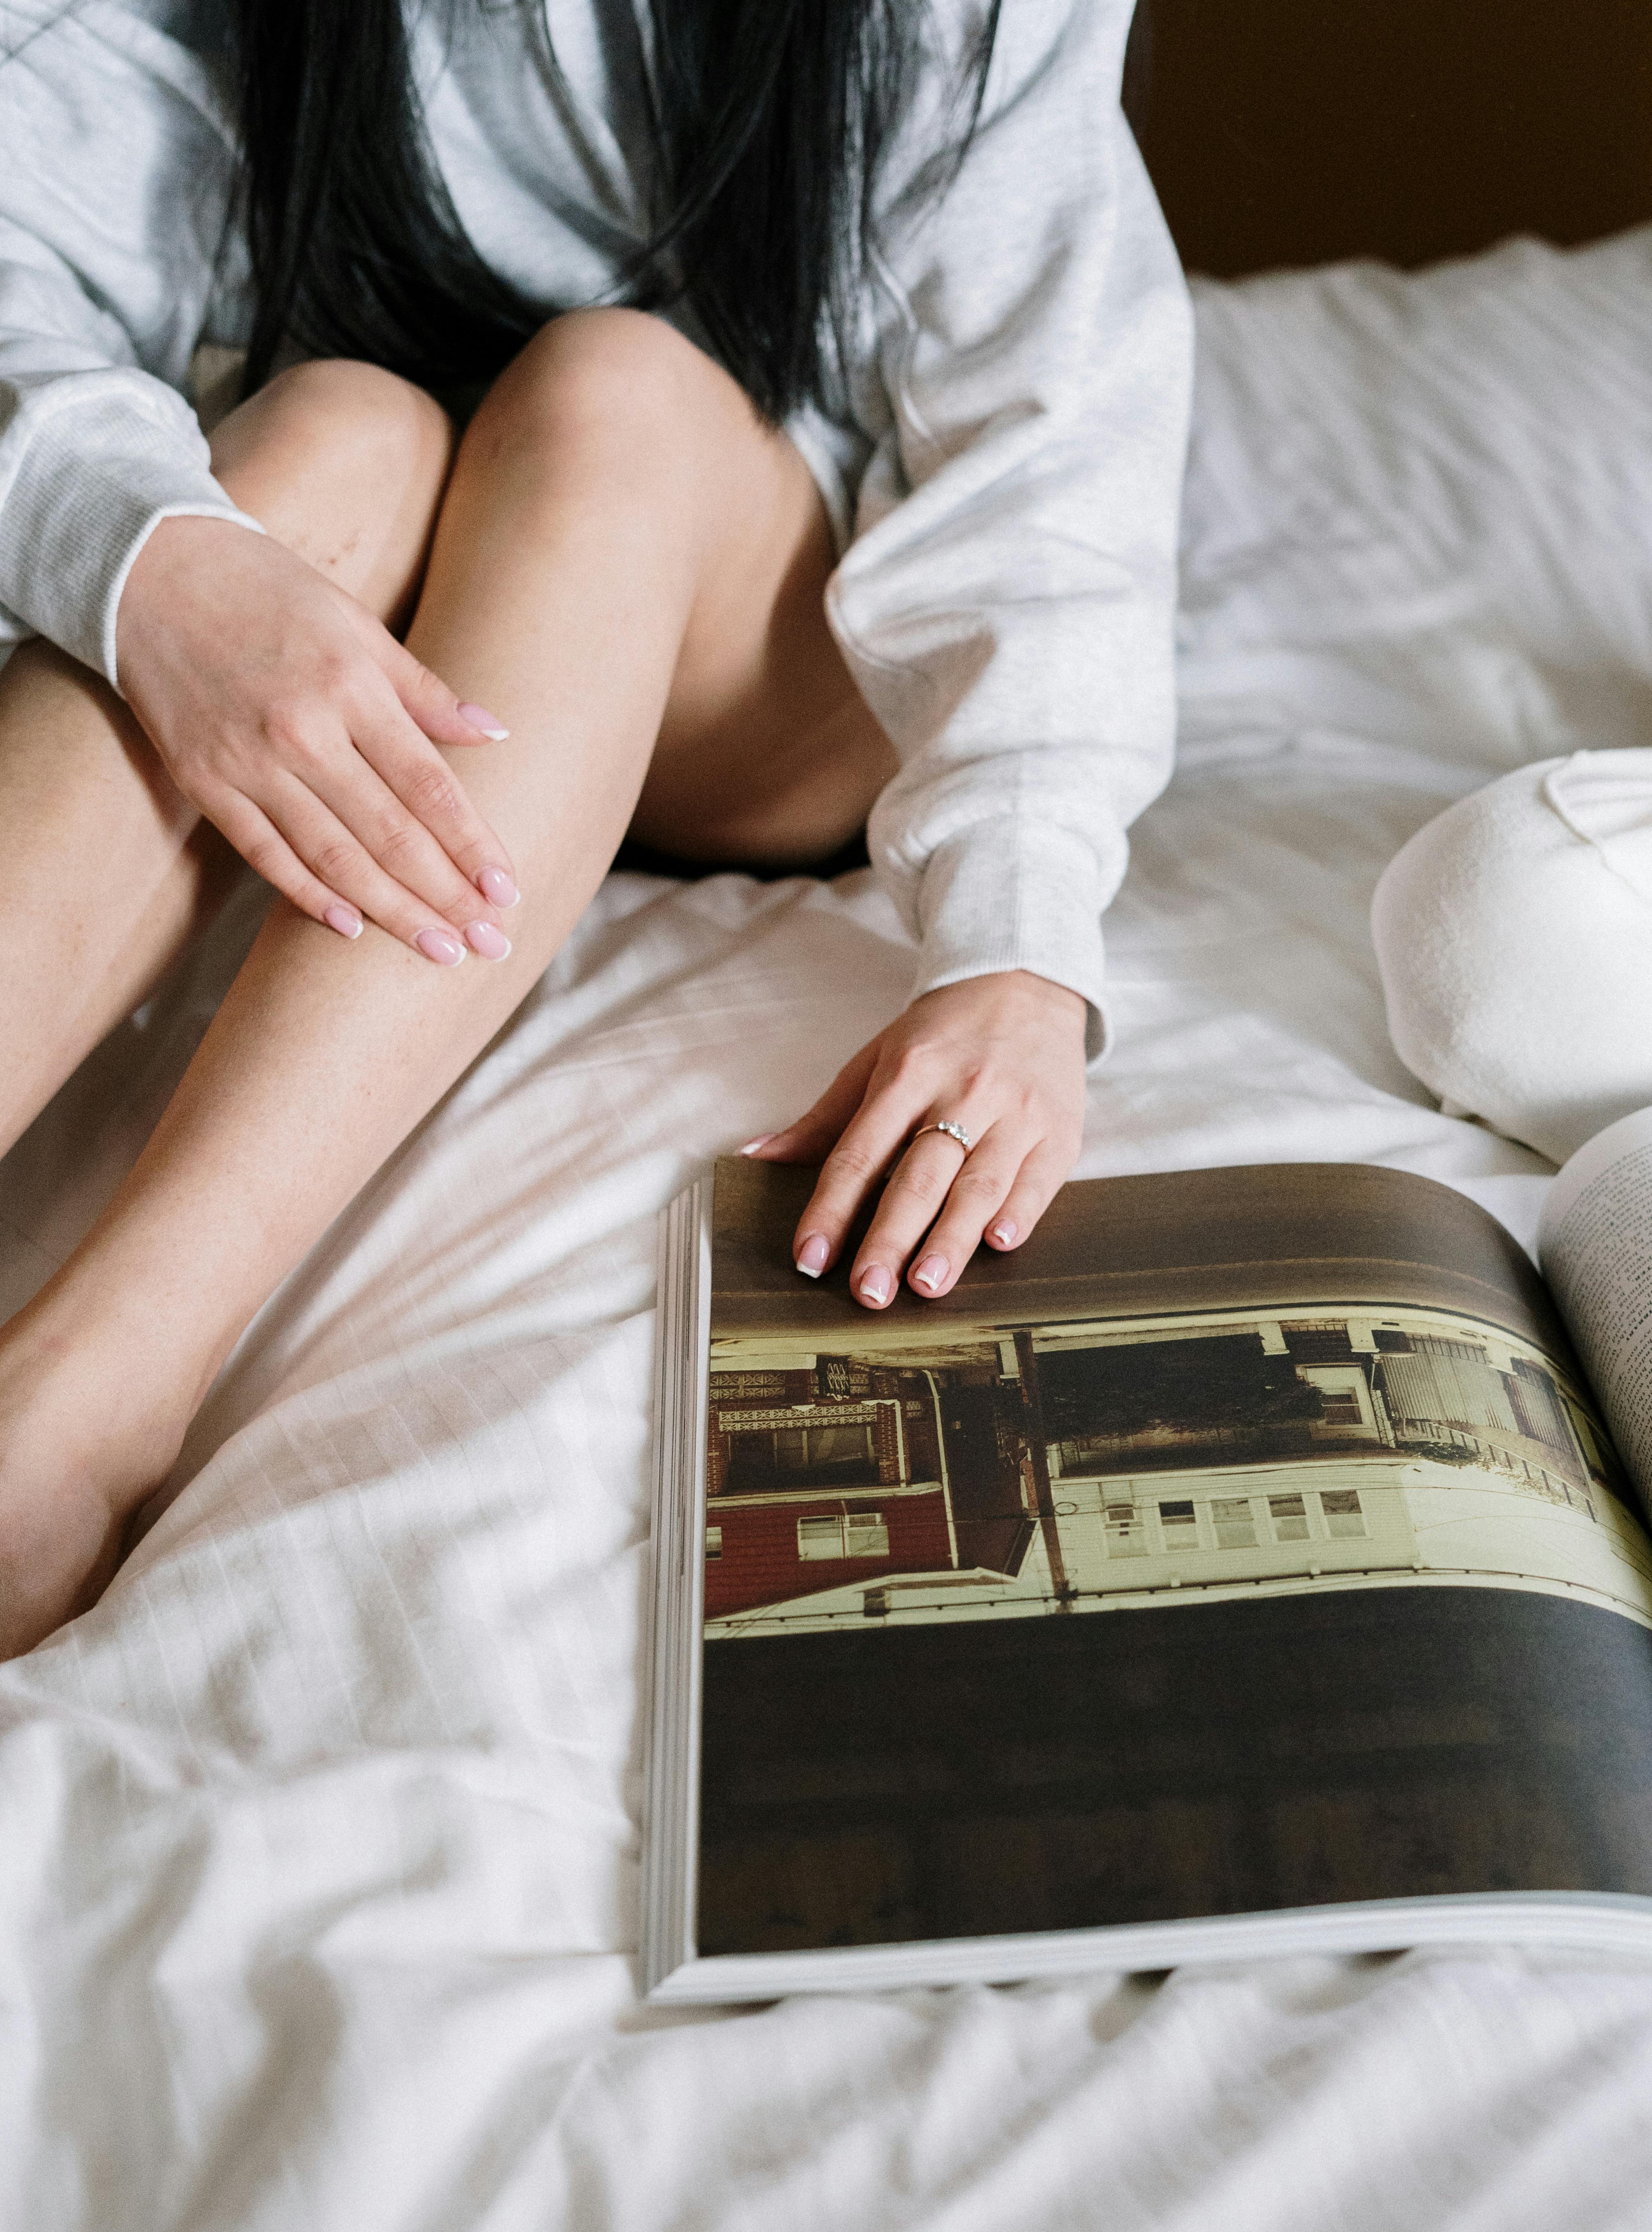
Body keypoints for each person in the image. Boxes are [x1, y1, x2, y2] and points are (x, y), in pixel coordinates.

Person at [0, 0, 1192, 1656]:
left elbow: (1052, 436)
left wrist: (1019, 941)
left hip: (756, 660)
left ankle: (77, 1413)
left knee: (607, 390)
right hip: (365, 587)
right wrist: (157, 571)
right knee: (329, 427)